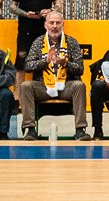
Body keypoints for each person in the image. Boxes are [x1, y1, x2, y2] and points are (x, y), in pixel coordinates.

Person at [16, 9, 89, 139]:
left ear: (62, 25)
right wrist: (45, 61)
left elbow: (80, 69)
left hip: (66, 86)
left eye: (57, 23)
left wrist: (66, 63)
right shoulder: (38, 42)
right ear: (45, 25)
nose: (54, 26)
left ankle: (80, 130)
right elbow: (27, 66)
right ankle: (30, 129)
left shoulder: (71, 42)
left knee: (79, 85)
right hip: (43, 86)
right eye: (51, 23)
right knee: (26, 86)